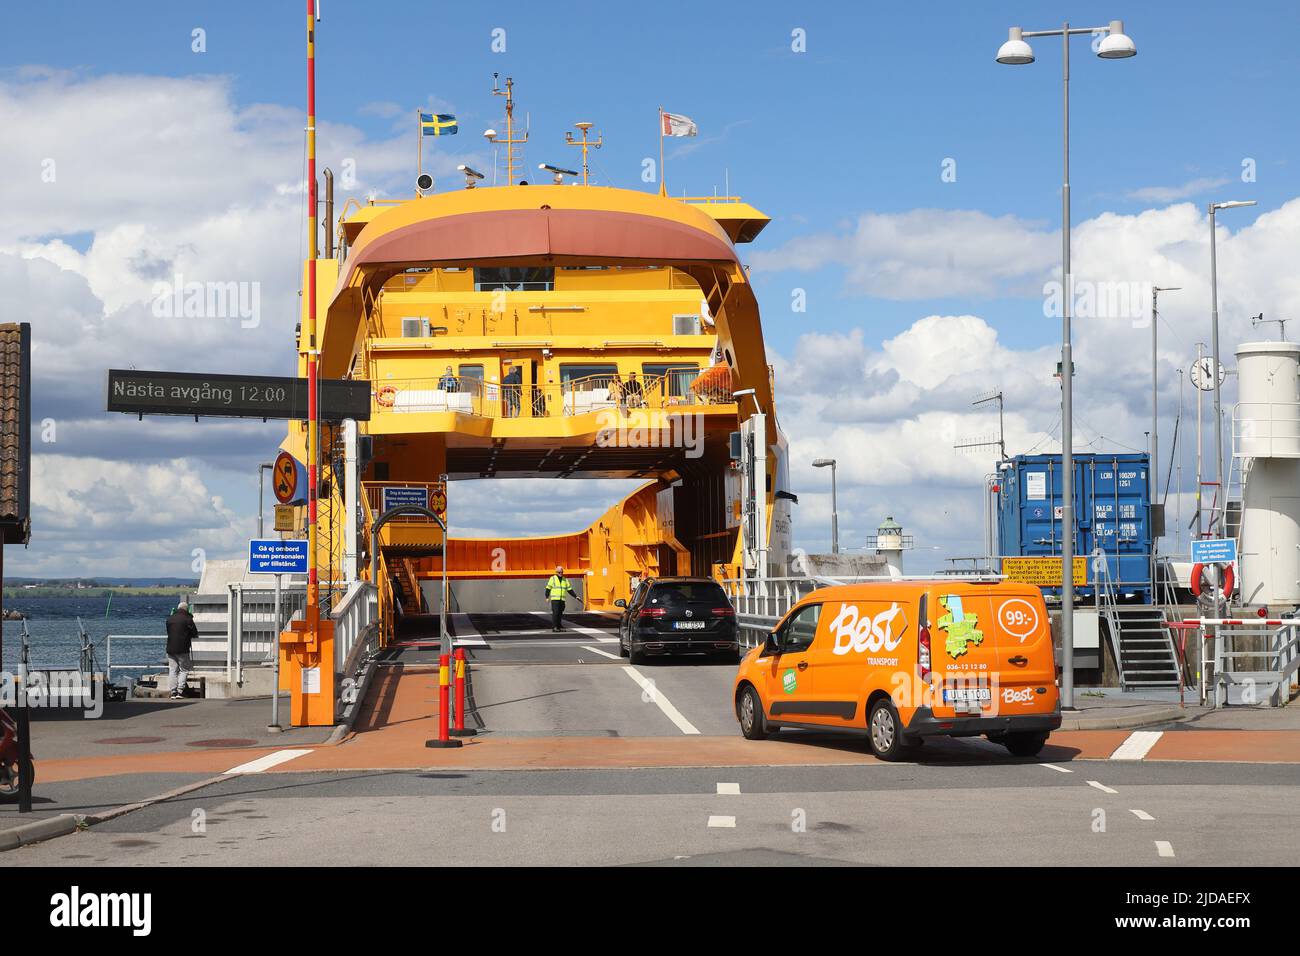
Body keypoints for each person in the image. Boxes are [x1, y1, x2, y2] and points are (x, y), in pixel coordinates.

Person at [165, 601, 199, 700]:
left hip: (170, 648)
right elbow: (194, 633)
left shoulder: (170, 618)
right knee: (184, 670)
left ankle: (173, 692)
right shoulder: (188, 619)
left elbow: (169, 631)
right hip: (183, 648)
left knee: (173, 670)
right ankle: (180, 691)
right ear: (186, 609)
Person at [544, 565, 576, 632]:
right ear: (556, 572)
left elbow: (569, 589)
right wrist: (547, 597)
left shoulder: (565, 580)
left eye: (561, 572)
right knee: (556, 613)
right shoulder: (552, 579)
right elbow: (548, 588)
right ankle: (554, 627)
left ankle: (559, 626)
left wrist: (575, 596)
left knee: (560, 613)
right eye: (559, 572)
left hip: (562, 600)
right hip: (555, 600)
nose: (560, 573)